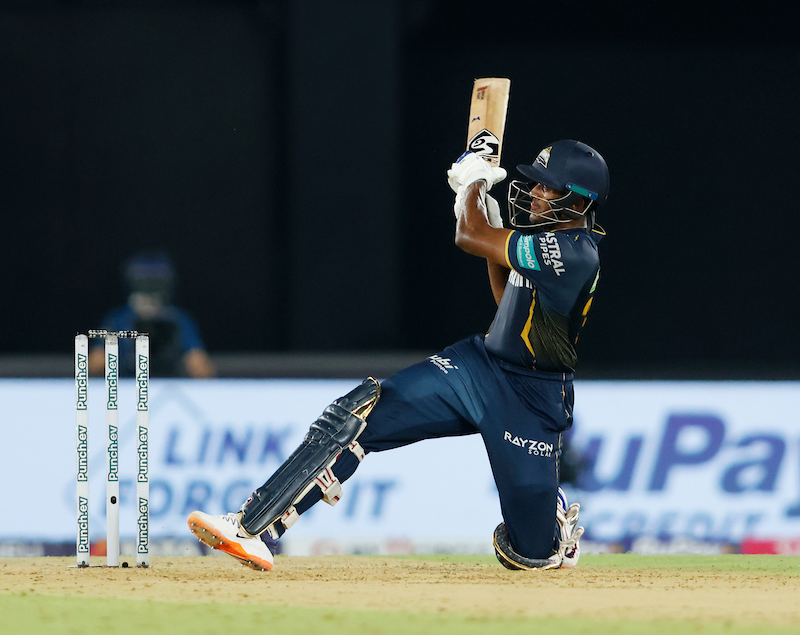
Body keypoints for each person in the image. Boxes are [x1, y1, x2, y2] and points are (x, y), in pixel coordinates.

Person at [186, 139, 609, 571]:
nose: (536, 194)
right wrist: (487, 216)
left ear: (579, 201)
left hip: (531, 398)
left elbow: (469, 234)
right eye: (536, 185)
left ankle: (549, 524)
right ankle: (251, 527)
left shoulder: (574, 254)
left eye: (549, 189)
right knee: (360, 415)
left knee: (528, 555)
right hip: (477, 368)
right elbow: (506, 301)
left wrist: (474, 185)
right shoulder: (540, 241)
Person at [89, 252, 216, 379]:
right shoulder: (118, 319)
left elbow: (200, 368)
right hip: (127, 387)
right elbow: (95, 364)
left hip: (169, 385)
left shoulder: (177, 319)